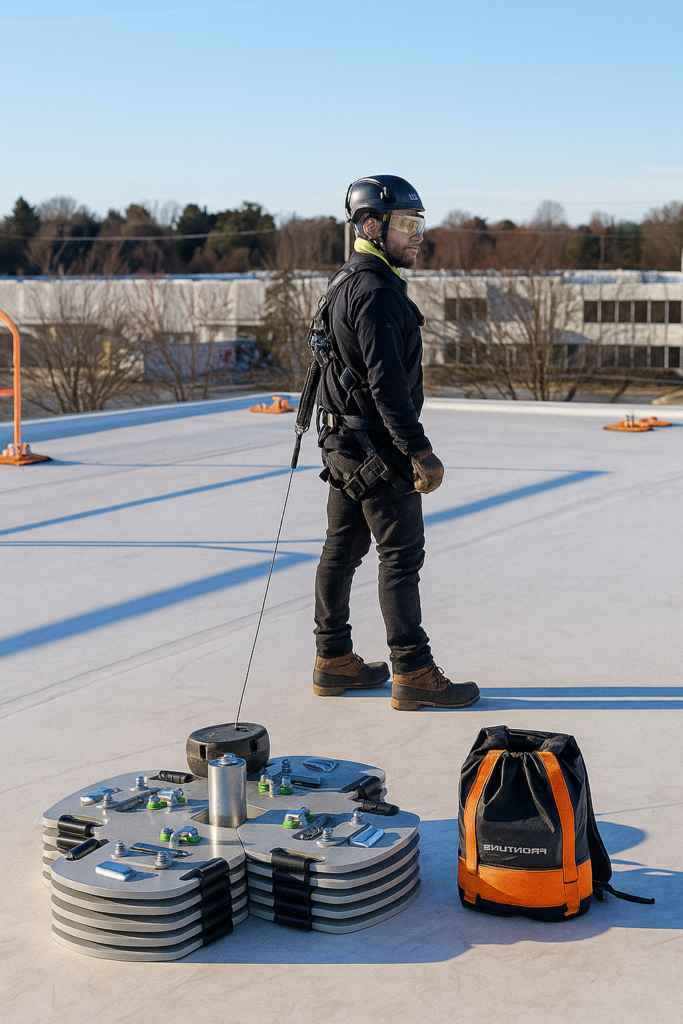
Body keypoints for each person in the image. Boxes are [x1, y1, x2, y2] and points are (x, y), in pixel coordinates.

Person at [311, 174, 479, 711]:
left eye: (419, 224)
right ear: (370, 226)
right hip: (381, 452)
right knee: (400, 560)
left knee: (341, 552)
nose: (418, 236)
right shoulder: (379, 292)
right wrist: (418, 450)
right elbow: (387, 382)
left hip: (343, 447)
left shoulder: (344, 282)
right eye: (407, 225)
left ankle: (333, 660)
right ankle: (413, 671)